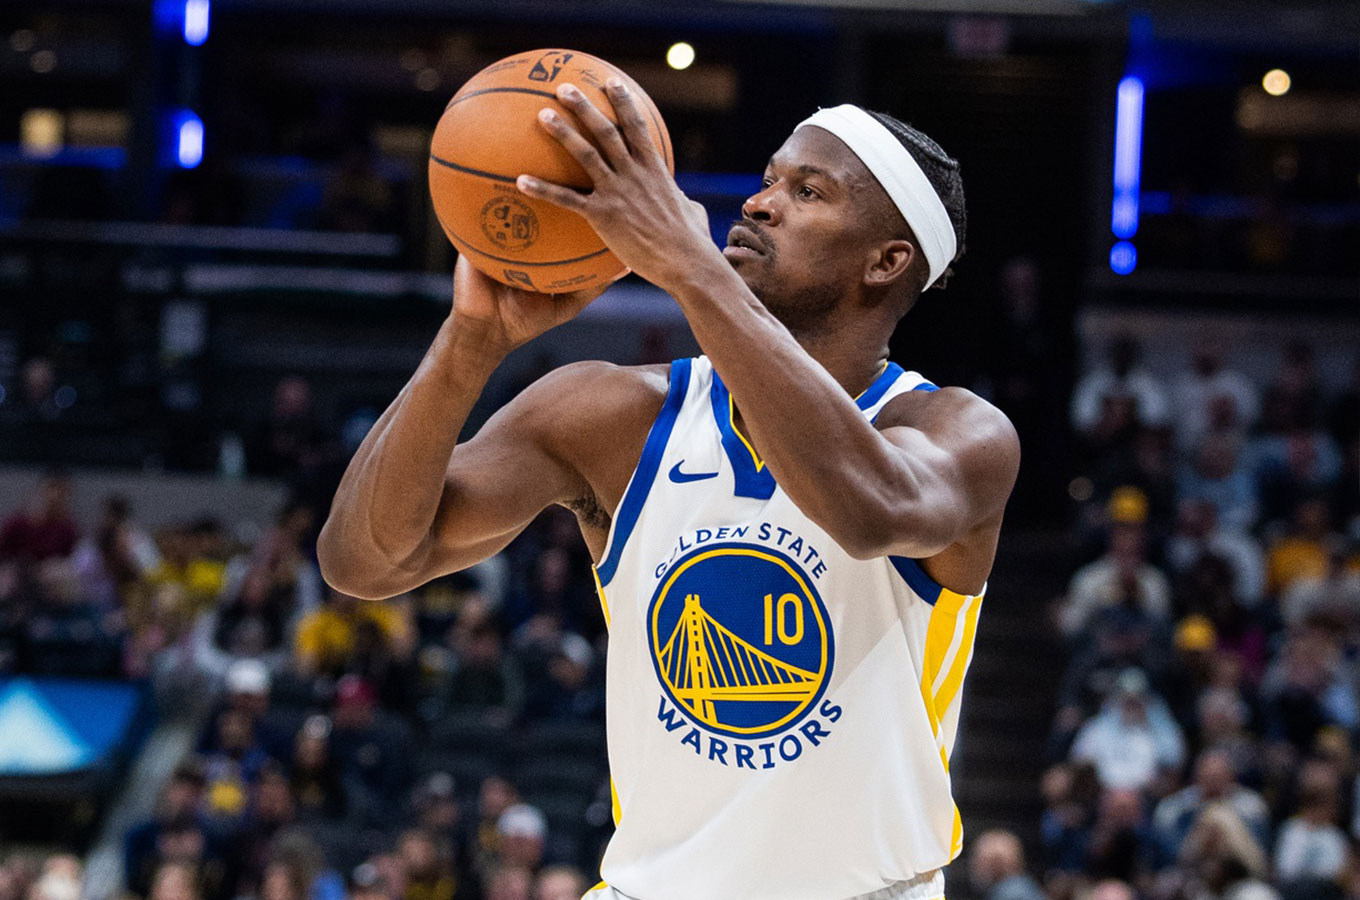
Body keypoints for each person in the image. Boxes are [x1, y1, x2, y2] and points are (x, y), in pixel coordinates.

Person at [320, 85, 1016, 900]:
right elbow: (363, 561)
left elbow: (869, 511)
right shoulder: (615, 412)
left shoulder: (957, 435)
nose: (758, 204)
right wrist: (470, 343)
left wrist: (689, 270)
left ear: (887, 261)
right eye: (767, 179)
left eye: (807, 192)